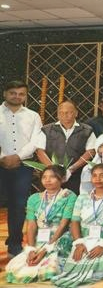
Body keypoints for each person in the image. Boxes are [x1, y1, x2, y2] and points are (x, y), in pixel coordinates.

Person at [52, 163, 103, 287]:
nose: (98, 179)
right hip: (83, 238)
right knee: (74, 266)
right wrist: (79, 243)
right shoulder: (82, 198)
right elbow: (75, 221)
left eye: (102, 175)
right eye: (94, 176)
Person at [5, 165, 76, 284]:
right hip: (40, 237)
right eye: (44, 177)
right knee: (18, 268)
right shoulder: (34, 198)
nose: (47, 180)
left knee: (50, 267)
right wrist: (31, 249)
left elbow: (64, 224)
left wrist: (46, 249)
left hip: (60, 237)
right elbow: (31, 224)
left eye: (52, 177)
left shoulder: (69, 196)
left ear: (62, 179)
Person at [0, 80, 43, 258]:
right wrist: (2, 157)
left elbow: (35, 141)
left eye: (21, 94)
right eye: (13, 93)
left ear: (25, 96)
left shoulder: (33, 116)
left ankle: (15, 244)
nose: (17, 97)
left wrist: (17, 157)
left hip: (23, 166)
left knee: (18, 206)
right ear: (5, 93)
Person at [35, 100, 96, 194]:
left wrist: (71, 169)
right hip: (51, 177)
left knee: (73, 200)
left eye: (68, 112)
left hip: (76, 175)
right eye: (61, 113)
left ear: (76, 113)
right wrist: (54, 170)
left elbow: (91, 151)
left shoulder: (87, 130)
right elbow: (40, 151)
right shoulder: (47, 129)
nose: (65, 115)